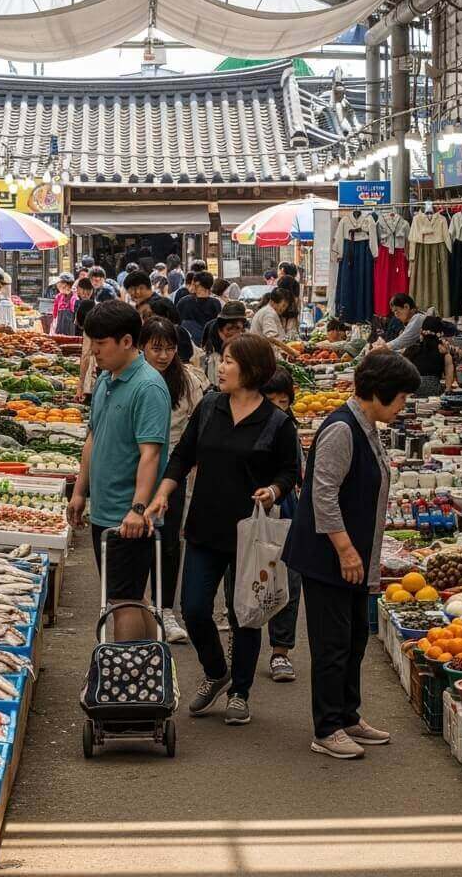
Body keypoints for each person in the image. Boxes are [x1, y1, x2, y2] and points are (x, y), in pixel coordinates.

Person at [145, 334, 301, 726]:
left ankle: (240, 692)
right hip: (205, 526)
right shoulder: (211, 406)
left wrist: (274, 490)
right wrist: (163, 493)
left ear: (251, 370)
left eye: (230, 361)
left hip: (251, 533)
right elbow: (183, 455)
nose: (222, 367)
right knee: (194, 609)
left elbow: (290, 471)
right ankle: (216, 670)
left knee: (244, 614)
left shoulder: (277, 422)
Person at [282, 350, 420, 758]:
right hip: (329, 557)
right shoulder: (342, 429)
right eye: (401, 398)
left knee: (355, 636)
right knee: (332, 643)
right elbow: (322, 494)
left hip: (353, 555)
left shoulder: (367, 424)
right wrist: (345, 549)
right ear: (379, 393)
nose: (403, 406)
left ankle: (346, 714)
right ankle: (326, 729)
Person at [66, 301, 171, 642]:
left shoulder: (148, 387)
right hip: (106, 510)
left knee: (122, 601)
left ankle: (126, 683)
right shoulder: (106, 380)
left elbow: (150, 455)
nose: (94, 352)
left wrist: (138, 509)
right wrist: (80, 493)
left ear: (126, 341)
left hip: (129, 515)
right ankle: (150, 672)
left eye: (100, 344)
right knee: (131, 597)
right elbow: (92, 438)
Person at [139, 317, 210, 644]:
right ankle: (137, 608)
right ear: (143, 347)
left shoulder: (189, 381)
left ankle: (166, 608)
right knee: (136, 537)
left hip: (172, 471)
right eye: (157, 348)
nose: (164, 355)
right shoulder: (134, 378)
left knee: (168, 541)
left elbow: (199, 424)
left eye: (169, 348)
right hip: (137, 468)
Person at [262, 366, 304, 683]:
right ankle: (241, 651)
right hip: (250, 514)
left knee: (288, 581)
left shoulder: (289, 429)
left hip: (286, 510)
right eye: (271, 400)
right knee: (250, 581)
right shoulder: (247, 427)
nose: (278, 407)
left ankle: (280, 651)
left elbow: (296, 474)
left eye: (283, 401)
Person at [200, 300, 249, 387]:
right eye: (230, 328)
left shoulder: (245, 334)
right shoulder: (212, 333)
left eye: (237, 328)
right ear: (221, 329)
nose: (234, 332)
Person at [407, 316, 451, 397]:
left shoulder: (412, 349)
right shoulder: (442, 350)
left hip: (413, 389)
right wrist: (448, 389)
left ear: (421, 331)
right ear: (441, 333)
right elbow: (449, 371)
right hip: (434, 390)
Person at [177, 270, 222, 341]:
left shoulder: (184, 301)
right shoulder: (216, 303)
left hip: (188, 342)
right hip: (209, 342)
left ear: (197, 284)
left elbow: (177, 323)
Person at [75, 300, 97, 404]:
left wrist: (81, 385)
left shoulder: (90, 327)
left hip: (97, 372)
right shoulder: (106, 321)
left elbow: (86, 355)